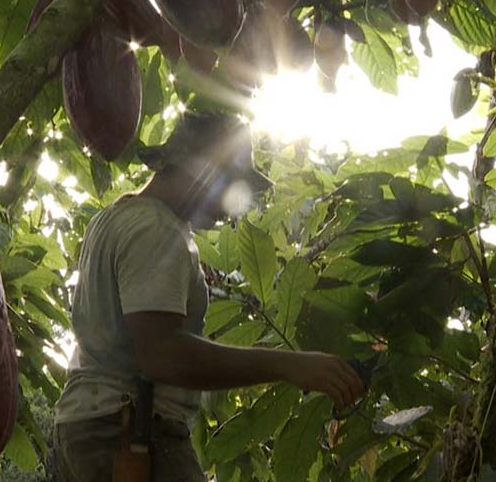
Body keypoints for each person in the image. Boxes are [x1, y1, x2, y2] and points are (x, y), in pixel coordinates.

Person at [53, 112, 365, 482]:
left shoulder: (114, 217)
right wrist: (290, 365)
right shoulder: (156, 229)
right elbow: (162, 355)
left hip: (86, 428)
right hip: (129, 432)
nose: (231, 208)